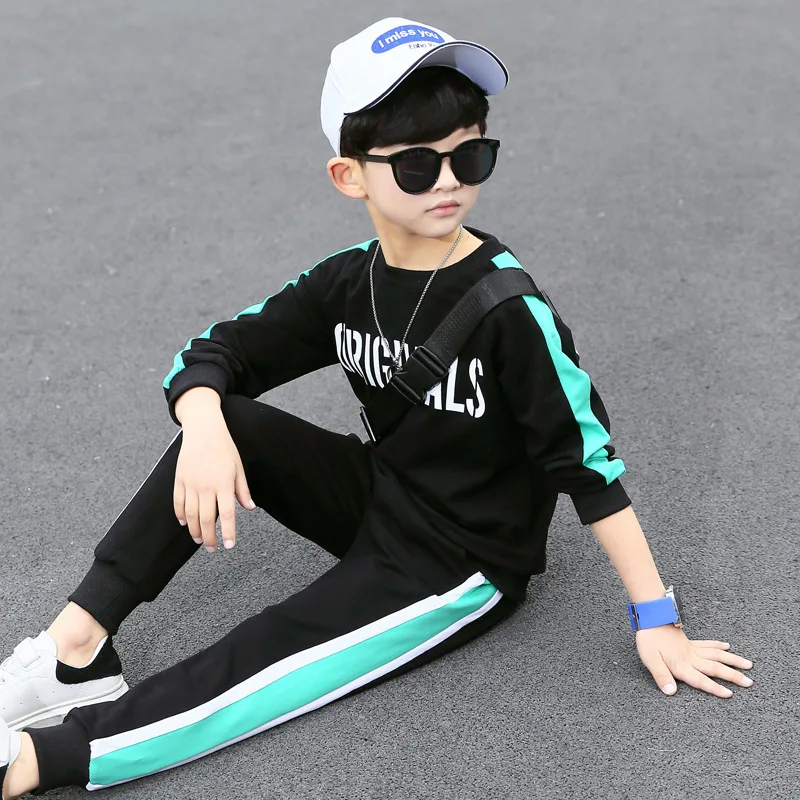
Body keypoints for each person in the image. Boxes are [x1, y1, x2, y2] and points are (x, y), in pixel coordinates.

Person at [0, 16, 753, 799]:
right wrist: (205, 427)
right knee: (228, 419)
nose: (450, 180)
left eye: (471, 154)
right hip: (380, 494)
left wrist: (657, 618)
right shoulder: (349, 280)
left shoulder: (508, 309)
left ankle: (37, 762)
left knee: (274, 650)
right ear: (349, 176)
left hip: (458, 563)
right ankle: (74, 653)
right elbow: (215, 352)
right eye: (419, 163)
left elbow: (588, 467)